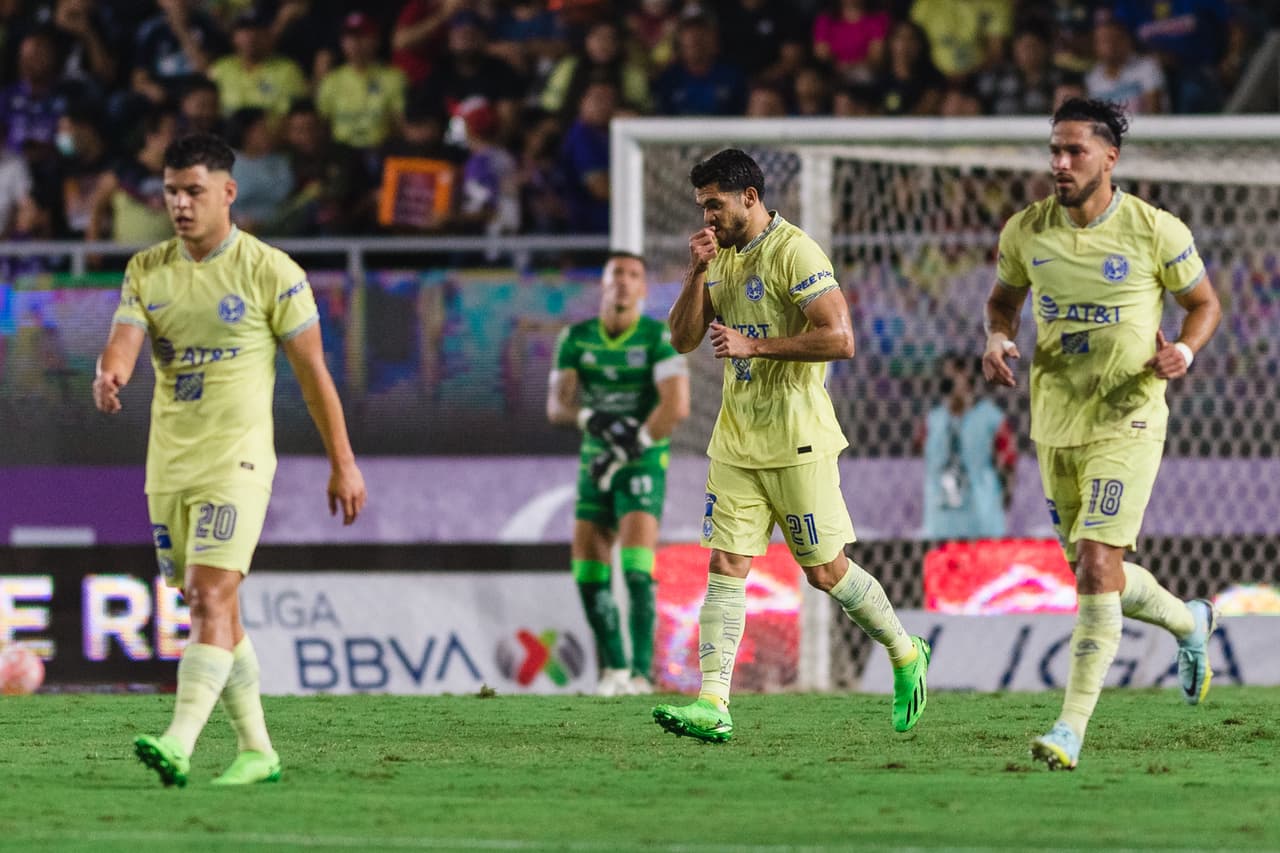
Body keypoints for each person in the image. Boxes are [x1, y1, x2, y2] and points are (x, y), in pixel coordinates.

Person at [93, 133, 367, 787]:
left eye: (193, 191)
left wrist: (344, 461)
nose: (180, 204)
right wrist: (109, 374)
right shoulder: (148, 269)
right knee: (213, 607)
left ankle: (179, 742)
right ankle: (257, 750)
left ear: (227, 192)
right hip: (169, 465)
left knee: (213, 591)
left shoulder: (272, 272)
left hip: (237, 461)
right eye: (171, 191)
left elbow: (314, 376)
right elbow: (123, 343)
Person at [654, 149, 929, 742]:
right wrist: (695, 272)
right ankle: (713, 703)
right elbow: (681, 340)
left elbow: (841, 337)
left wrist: (758, 347)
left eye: (714, 205)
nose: (707, 218)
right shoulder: (718, 257)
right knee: (725, 566)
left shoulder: (795, 252)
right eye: (702, 206)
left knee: (827, 573)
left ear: (749, 197)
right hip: (734, 441)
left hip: (798, 440)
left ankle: (906, 651)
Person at [983, 98, 1222, 771]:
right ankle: (1190, 621)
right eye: (1053, 150)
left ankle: (1070, 728)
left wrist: (1186, 351)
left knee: (1094, 563)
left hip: (1130, 414)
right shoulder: (1026, 231)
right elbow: (1003, 300)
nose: (1059, 163)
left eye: (1074, 151)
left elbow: (1203, 303)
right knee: (1097, 571)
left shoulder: (1154, 229)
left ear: (1109, 158)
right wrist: (998, 336)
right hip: (1055, 421)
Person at [547, 251, 689, 696]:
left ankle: (642, 676)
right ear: (603, 286)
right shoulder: (576, 338)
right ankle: (614, 670)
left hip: (643, 459)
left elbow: (676, 406)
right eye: (616, 275)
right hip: (596, 458)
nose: (624, 283)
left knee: (634, 564)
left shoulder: (657, 338)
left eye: (633, 276)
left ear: (644, 290)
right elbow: (556, 406)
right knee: (587, 567)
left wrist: (635, 443)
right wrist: (593, 421)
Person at [917, 354, 1015, 540]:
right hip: (941, 520)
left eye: (955, 375)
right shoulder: (933, 420)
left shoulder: (991, 419)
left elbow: (1008, 464)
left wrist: (1001, 502)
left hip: (981, 519)